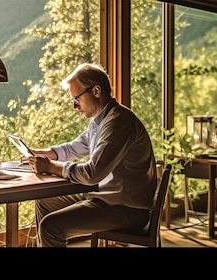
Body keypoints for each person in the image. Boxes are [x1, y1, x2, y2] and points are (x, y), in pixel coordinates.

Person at [27, 63, 158, 247]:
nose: (74, 105)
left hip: (125, 208)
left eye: (77, 98)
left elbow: (92, 173)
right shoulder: (100, 122)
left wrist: (50, 167)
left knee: (51, 226)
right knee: (44, 201)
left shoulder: (118, 123)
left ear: (96, 91)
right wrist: (39, 153)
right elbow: (74, 148)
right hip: (105, 198)